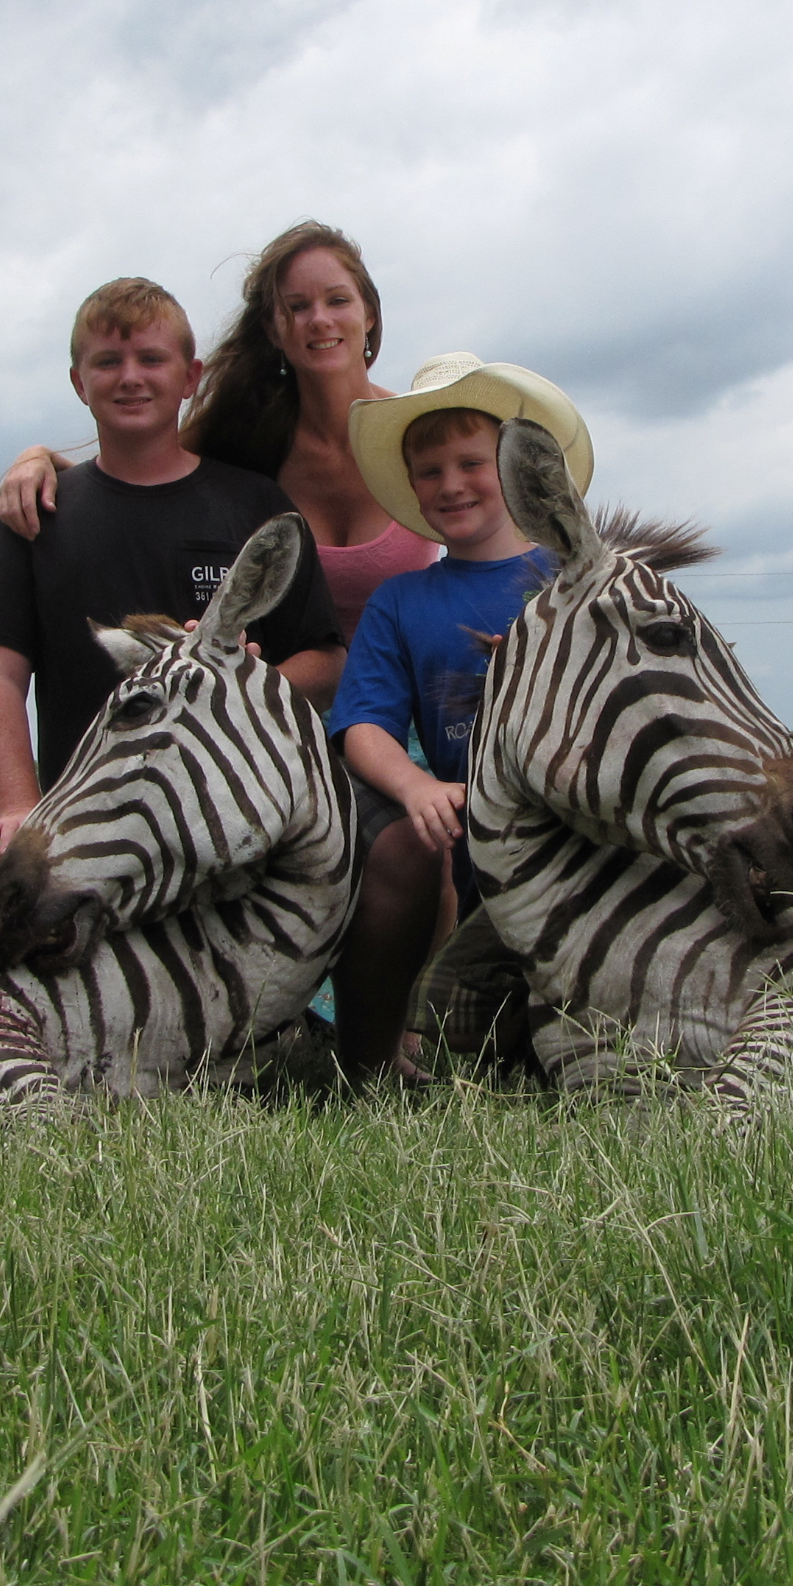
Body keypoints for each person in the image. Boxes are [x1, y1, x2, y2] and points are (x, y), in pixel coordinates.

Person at [0, 278, 344, 851]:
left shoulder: (257, 506)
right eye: (108, 361)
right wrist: (18, 808)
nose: (131, 376)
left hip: (239, 820)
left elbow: (328, 660)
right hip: (85, 831)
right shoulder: (34, 515)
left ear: (189, 377)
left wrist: (247, 682)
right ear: (78, 384)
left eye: (152, 359)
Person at [326, 353, 594, 1075]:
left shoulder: (577, 581)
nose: (450, 484)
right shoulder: (400, 602)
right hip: (486, 872)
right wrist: (415, 788)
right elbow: (364, 726)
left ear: (513, 468)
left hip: (596, 853)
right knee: (490, 1053)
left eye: (471, 462)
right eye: (430, 470)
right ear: (411, 487)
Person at [0, 222, 441, 649]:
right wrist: (37, 459)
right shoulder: (245, 435)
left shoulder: (418, 434)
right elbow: (135, 482)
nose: (319, 319)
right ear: (272, 330)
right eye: (297, 307)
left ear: (369, 315)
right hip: (278, 709)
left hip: (413, 707)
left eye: (338, 300)